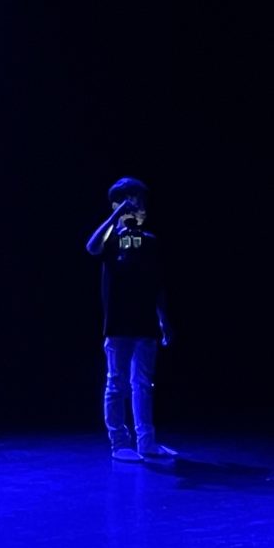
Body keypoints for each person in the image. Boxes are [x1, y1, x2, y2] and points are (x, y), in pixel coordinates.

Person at [85, 178, 176, 463]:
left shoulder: (149, 241)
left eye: (141, 200)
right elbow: (91, 247)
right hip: (118, 323)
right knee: (117, 383)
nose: (140, 205)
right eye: (134, 199)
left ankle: (147, 441)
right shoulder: (110, 239)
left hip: (146, 323)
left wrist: (163, 318)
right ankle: (119, 444)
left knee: (144, 384)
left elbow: (157, 283)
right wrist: (116, 216)